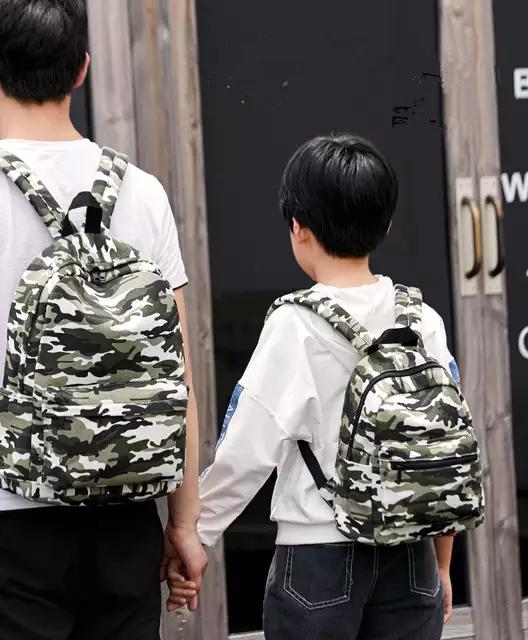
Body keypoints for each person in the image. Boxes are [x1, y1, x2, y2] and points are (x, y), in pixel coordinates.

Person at [0, 1, 206, 638]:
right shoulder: (143, 191)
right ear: (82, 69)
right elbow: (176, 378)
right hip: (126, 507)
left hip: (6, 513)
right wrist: (184, 522)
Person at [171, 134, 458, 637]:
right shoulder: (421, 319)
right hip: (412, 554)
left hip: (319, 558)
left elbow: (247, 449)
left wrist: (195, 533)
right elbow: (444, 446)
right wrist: (442, 565)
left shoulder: (296, 323)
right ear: (386, 225)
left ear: (297, 228)